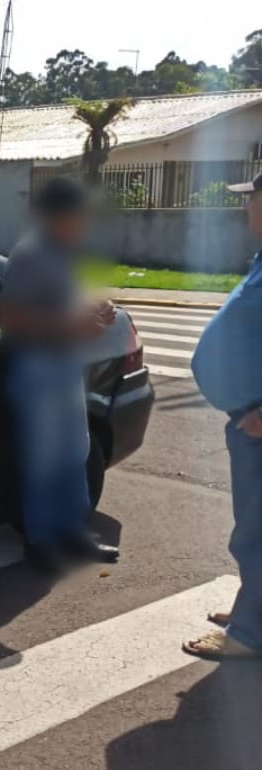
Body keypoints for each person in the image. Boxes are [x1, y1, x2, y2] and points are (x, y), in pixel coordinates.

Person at [0, 176, 119, 573]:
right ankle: (41, 540)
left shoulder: (63, 254)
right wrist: (72, 324)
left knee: (73, 453)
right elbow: (11, 317)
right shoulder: (29, 254)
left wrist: (94, 310)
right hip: (39, 366)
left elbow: (57, 306)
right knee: (45, 459)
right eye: (80, 215)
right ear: (59, 216)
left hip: (65, 365)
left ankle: (72, 531)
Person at [184, 170, 262, 661]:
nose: (246, 206)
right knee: (251, 529)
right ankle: (250, 609)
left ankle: (249, 636)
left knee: (257, 533)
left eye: (252, 197)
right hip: (248, 421)